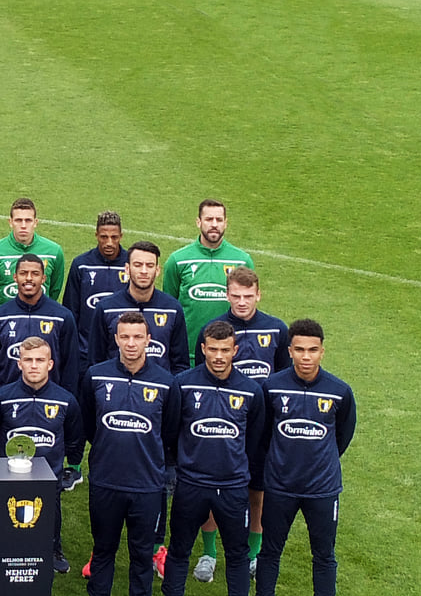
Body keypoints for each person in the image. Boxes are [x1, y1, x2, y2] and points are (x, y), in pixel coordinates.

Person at [247, 319, 355, 596]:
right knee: (270, 551)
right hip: (280, 487)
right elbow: (261, 436)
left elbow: (342, 437)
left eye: (312, 350)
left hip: (322, 490)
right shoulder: (271, 387)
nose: (305, 357)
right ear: (289, 350)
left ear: (322, 350)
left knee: (324, 554)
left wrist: (319, 463)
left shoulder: (340, 390)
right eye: (299, 350)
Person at [158, 320, 266, 596]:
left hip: (233, 488)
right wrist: (181, 467)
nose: (219, 356)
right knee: (178, 551)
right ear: (202, 349)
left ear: (235, 350)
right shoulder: (182, 384)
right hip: (191, 484)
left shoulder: (251, 390)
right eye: (212, 349)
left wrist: (234, 469)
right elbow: (170, 431)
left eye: (225, 350)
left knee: (236, 554)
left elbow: (255, 439)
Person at [78, 312, 176, 596]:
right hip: (105, 482)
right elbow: (89, 426)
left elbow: (171, 432)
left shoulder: (166, 383)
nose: (131, 343)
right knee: (103, 552)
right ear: (116, 339)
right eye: (125, 337)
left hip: (148, 486)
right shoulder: (95, 376)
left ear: (149, 340)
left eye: (138, 337)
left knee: (141, 556)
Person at [0, 336, 85, 596]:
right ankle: (0, 548)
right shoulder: (2, 398)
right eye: (28, 360)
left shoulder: (65, 400)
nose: (34, 366)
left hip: (49, 478)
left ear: (50, 364)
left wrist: (69, 465)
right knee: (8, 520)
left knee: (50, 515)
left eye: (40, 360)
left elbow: (75, 438)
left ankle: (54, 549)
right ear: (19, 363)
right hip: (8, 478)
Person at [223, 268, 290, 561]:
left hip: (265, 426)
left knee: (257, 491)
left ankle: (253, 553)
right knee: (218, 487)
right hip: (226, 421)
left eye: (248, 296)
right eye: (236, 295)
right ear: (227, 294)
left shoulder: (277, 329)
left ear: (258, 295)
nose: (241, 302)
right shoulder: (216, 328)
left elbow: (284, 375)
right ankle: (211, 552)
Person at [83, 242, 190, 375]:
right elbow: (95, 361)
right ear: (127, 269)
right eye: (138, 265)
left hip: (158, 392)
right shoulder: (106, 308)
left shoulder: (172, 309)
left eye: (149, 265)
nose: (144, 271)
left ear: (157, 270)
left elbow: (180, 364)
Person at [162, 199, 256, 351]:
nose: (214, 224)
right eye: (208, 219)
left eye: (219, 220)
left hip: (229, 354)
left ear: (226, 223)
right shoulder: (178, 260)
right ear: (198, 222)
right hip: (188, 353)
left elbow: (249, 308)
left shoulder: (242, 260)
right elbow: (169, 307)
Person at [0, 254, 82, 393]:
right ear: (15, 277)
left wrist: (65, 398)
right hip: (8, 400)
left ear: (43, 279)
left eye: (35, 274)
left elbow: (70, 365)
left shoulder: (62, 317)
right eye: (23, 273)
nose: (29, 278)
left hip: (50, 401)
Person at [0, 198, 65, 314]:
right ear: (10, 222)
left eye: (28, 220)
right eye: (18, 220)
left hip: (40, 321)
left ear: (35, 222)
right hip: (5, 323)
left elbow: (54, 291)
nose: (23, 225)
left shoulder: (54, 252)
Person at [63, 212, 129, 329]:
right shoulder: (81, 265)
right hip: (86, 345)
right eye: (104, 237)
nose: (109, 243)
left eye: (114, 237)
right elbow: (71, 308)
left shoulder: (131, 264)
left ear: (121, 236)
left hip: (122, 343)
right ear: (96, 235)